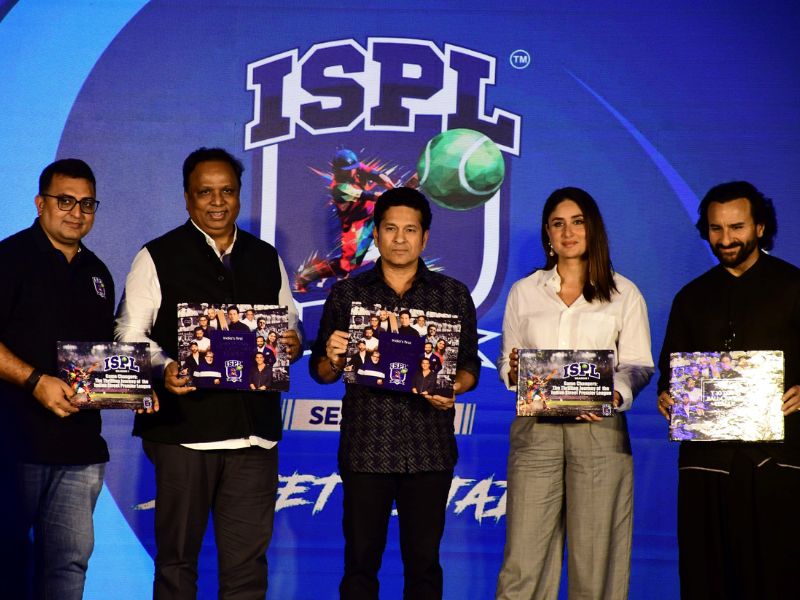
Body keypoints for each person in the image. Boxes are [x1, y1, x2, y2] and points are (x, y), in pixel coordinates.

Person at [115, 147, 302, 598]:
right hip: (183, 435)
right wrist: (164, 368)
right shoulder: (156, 255)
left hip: (254, 438)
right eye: (205, 193)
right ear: (187, 197)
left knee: (247, 570)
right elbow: (127, 336)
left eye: (227, 192)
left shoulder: (265, 256)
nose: (218, 202)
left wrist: (293, 342)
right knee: (177, 563)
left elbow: (290, 324)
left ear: (239, 195)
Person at [311, 187, 480, 599]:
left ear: (425, 237)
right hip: (365, 449)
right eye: (390, 229)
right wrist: (333, 358)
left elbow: (469, 367)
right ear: (376, 233)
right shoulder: (348, 294)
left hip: (429, 449)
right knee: (359, 566)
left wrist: (453, 386)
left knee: (424, 568)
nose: (400, 239)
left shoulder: (453, 295)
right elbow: (321, 373)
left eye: (410, 230)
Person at [495, 187, 654, 599]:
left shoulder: (624, 293)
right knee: (523, 560)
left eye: (578, 222)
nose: (568, 232)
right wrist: (514, 370)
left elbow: (638, 364)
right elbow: (508, 364)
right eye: (558, 223)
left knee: (597, 561)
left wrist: (612, 394)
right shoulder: (524, 291)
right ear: (547, 233)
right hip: (536, 432)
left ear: (593, 228)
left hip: (599, 432)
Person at [656, 181, 800, 599]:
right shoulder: (691, 298)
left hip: (779, 464)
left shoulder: (794, 287)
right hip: (706, 467)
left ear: (760, 227)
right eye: (716, 228)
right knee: (706, 579)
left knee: (779, 577)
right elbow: (670, 372)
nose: (726, 239)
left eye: (737, 227)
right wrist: (667, 396)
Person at [0, 159, 119, 598]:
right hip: (14, 446)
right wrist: (35, 381)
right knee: (9, 564)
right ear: (40, 203)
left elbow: (103, 357)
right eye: (65, 200)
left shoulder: (99, 274)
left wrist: (136, 386)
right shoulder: (9, 259)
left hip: (80, 450)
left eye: (87, 203)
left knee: (68, 568)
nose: (77, 212)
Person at [295, 148, 395, 291]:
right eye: (347, 170)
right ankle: (308, 276)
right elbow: (374, 196)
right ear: (338, 171)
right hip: (356, 225)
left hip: (372, 217)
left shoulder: (355, 167)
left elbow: (378, 176)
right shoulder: (339, 189)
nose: (352, 171)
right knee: (345, 266)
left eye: (353, 168)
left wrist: (392, 187)